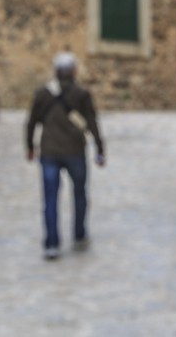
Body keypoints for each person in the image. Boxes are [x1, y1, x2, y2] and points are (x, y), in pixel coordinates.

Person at [26, 52, 105, 260]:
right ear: (74, 72)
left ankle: (52, 243)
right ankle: (79, 234)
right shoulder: (81, 94)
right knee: (79, 194)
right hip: (75, 151)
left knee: (50, 198)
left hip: (49, 151)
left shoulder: (43, 94)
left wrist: (29, 146)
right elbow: (91, 121)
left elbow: (32, 122)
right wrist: (99, 148)